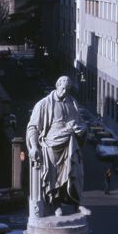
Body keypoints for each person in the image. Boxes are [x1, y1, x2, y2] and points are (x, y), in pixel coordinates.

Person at [25, 76, 87, 217]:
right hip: (51, 145)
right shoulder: (44, 104)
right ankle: (55, 204)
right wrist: (34, 146)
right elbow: (33, 127)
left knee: (75, 174)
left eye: (68, 89)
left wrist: (81, 129)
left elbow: (82, 123)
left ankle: (77, 204)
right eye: (63, 88)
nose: (65, 91)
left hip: (70, 144)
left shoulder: (73, 103)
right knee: (53, 178)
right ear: (57, 85)